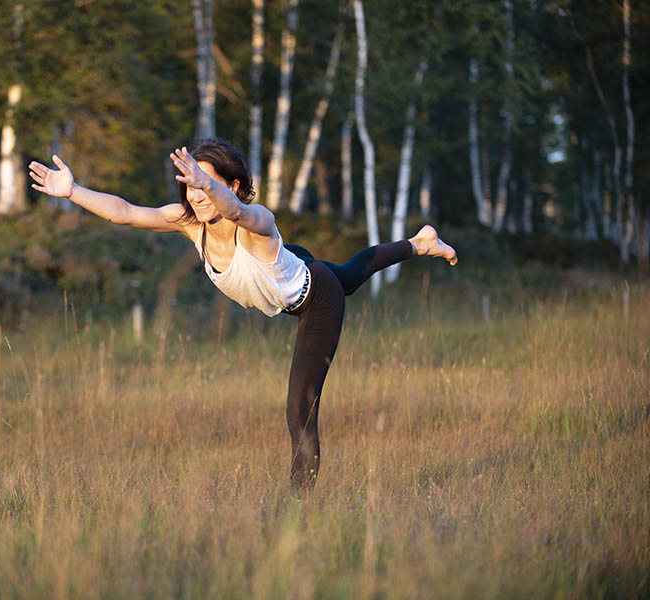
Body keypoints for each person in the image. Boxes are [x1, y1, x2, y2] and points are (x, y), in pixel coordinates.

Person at [28, 138, 457, 490]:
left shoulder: (258, 221)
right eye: (190, 185)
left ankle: (298, 512)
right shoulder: (189, 222)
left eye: (207, 184)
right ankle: (420, 243)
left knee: (299, 409)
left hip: (314, 297)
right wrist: (72, 191)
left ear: (233, 185)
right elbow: (125, 213)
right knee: (346, 271)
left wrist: (213, 189)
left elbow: (236, 212)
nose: (196, 194)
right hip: (293, 269)